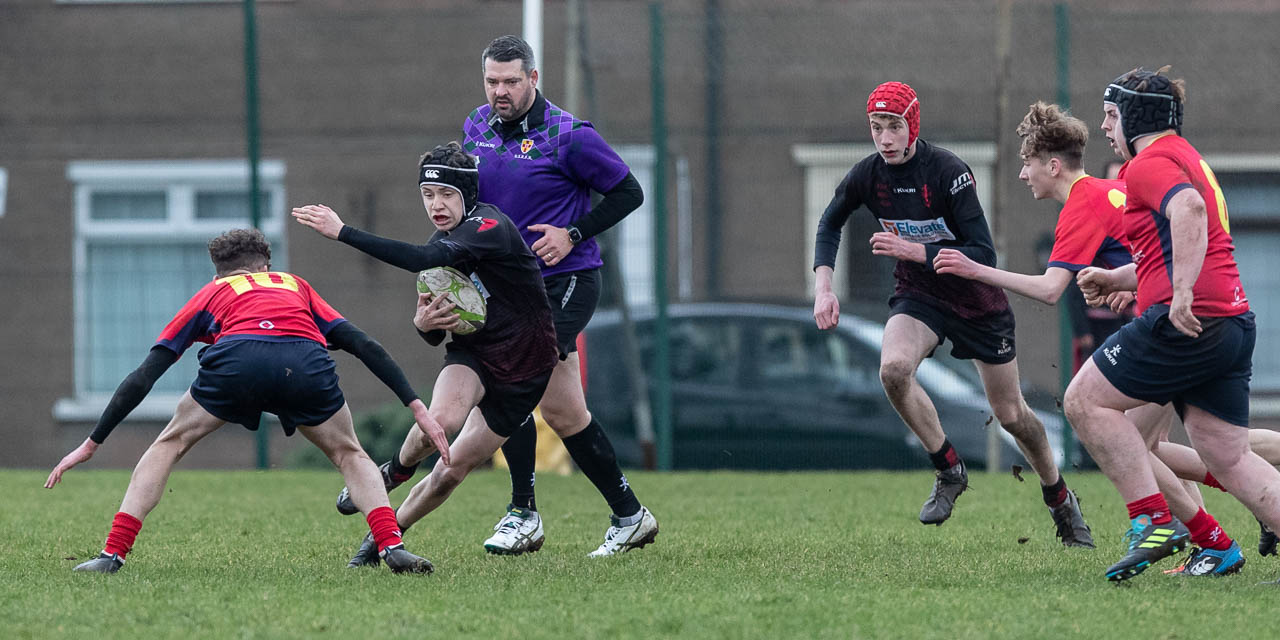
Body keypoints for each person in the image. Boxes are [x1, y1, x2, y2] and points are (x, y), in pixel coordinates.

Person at [327, 35, 656, 557]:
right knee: (566, 412)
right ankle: (629, 514)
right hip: (501, 285)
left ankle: (522, 512)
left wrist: (572, 233)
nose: (500, 91)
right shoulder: (476, 125)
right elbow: (466, 199)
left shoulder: (570, 136)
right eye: (492, 81)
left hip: (564, 280)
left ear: (533, 79)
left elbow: (629, 192)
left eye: (511, 81)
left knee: (514, 369)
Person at [934, 101, 1246, 575]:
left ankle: (1203, 533)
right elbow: (1157, 248)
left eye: (1027, 163)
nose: (1023, 175)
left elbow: (1050, 290)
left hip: (1174, 326)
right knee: (1154, 447)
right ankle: (1213, 534)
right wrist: (1132, 285)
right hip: (1187, 317)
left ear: (1052, 165)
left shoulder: (1082, 202)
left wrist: (975, 269)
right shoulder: (1110, 189)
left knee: (1123, 437)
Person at [45, 228, 444, 574]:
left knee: (169, 444)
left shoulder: (213, 291)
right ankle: (392, 545)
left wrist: (92, 442)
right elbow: (363, 344)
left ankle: (112, 554)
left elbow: (147, 373)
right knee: (350, 454)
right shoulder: (294, 284)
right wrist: (416, 406)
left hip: (237, 363)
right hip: (303, 364)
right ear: (265, 265)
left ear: (217, 269)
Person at [811, 82, 1093, 547]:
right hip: (920, 296)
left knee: (1011, 415)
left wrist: (912, 249)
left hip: (977, 301)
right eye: (877, 128)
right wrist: (824, 288)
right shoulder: (868, 175)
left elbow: (981, 251)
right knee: (894, 370)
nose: (885, 139)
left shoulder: (947, 172)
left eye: (894, 127)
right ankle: (948, 468)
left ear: (913, 125)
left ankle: (1060, 498)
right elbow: (829, 221)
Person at [1065, 66, 1280, 581]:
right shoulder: (1187, 156)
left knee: (1083, 401)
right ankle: (1190, 530)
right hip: (1229, 321)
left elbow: (1188, 211)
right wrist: (1122, 277)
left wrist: (1179, 293)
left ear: (1136, 117)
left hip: (1187, 322)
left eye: (1111, 116)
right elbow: (1177, 242)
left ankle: (1154, 520)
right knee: (1227, 454)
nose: (1104, 128)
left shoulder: (1149, 163)